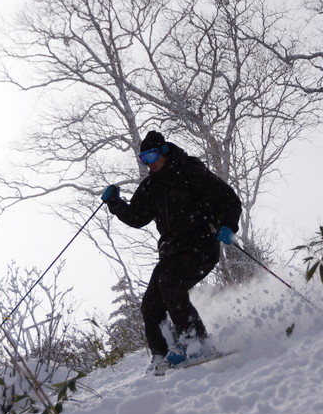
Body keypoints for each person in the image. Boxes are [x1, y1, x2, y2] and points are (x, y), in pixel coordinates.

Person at [101, 130, 242, 375]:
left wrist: (229, 225)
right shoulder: (151, 186)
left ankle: (195, 342)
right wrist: (115, 203)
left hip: (201, 245)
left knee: (171, 281)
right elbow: (137, 217)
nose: (150, 163)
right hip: (172, 252)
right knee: (150, 304)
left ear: (164, 151)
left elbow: (227, 197)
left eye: (153, 155)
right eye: (144, 159)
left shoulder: (190, 171)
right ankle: (161, 353)